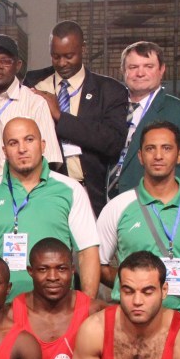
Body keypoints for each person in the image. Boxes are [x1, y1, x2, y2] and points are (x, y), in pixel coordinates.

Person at [0, 117, 99, 311]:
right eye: (13, 143)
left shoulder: (71, 190)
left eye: (29, 140)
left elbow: (88, 253)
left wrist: (86, 311)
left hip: (57, 313)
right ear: (4, 151)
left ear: (43, 145)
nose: (22, 149)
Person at [97, 121, 180, 319]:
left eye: (167, 148)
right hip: (132, 320)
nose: (158, 156)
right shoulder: (117, 207)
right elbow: (98, 266)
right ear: (140, 156)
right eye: (150, 149)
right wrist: (128, 284)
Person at [24, 21, 127, 215]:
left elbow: (112, 141)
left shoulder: (109, 90)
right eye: (56, 56)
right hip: (43, 193)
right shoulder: (34, 84)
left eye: (69, 56)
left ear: (83, 49)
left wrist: (60, 116)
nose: (62, 63)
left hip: (90, 195)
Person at [110, 41, 180, 199]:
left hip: (152, 205)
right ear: (123, 71)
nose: (140, 73)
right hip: (104, 204)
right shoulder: (110, 108)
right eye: (133, 67)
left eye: (148, 66)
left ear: (162, 70)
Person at [0, 34, 62, 178]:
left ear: (18, 65)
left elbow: (49, 159)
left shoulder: (35, 103)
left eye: (5, 61)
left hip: (21, 187)